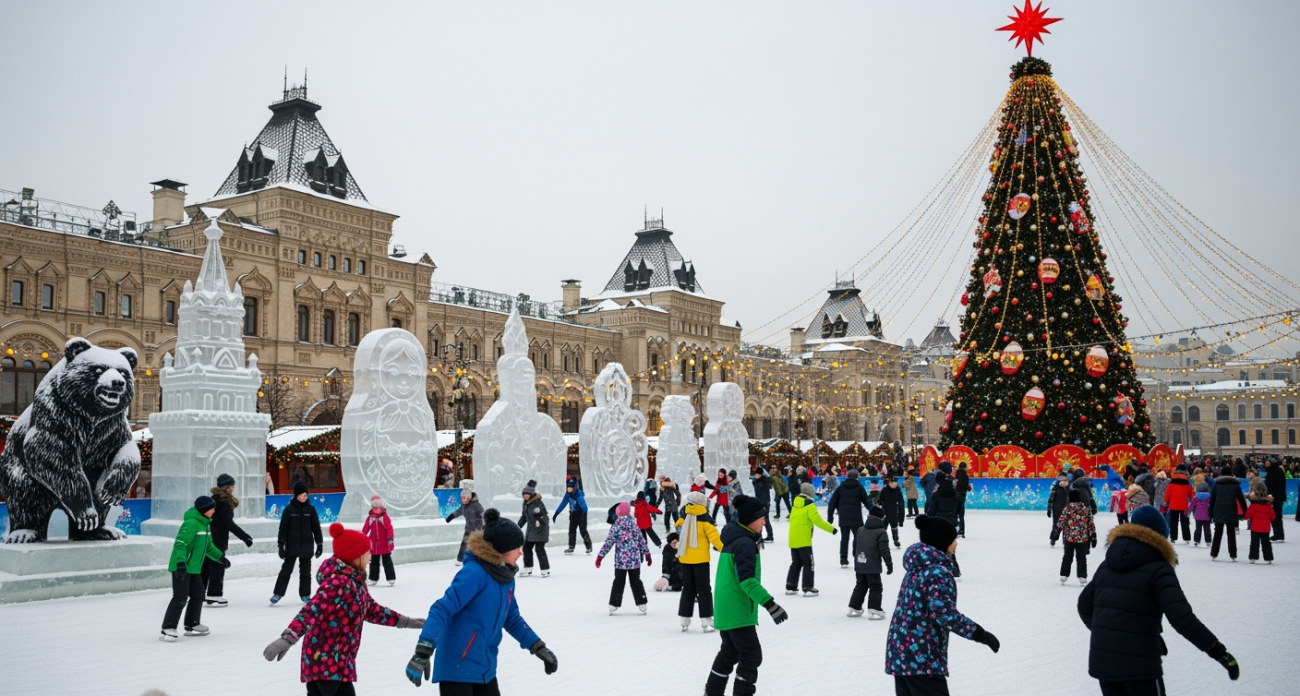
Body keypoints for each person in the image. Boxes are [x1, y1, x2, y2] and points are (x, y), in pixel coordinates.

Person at [1078, 505, 1240, 694]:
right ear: (1160, 536)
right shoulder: (1159, 569)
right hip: (1140, 666)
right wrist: (1218, 651)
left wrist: (1112, 635)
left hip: (1104, 662)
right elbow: (1182, 618)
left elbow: (1084, 606)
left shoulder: (1107, 565)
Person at [403, 508, 559, 691]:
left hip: (484, 667)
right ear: (502, 550)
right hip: (457, 668)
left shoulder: (505, 578)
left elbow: (512, 618)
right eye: (516, 548)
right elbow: (441, 609)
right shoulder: (475, 574)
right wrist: (423, 650)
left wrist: (537, 646)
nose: (520, 553)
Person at [262, 522, 425, 696]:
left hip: (338, 661)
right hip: (324, 661)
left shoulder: (355, 582)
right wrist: (288, 639)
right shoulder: (339, 582)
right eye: (367, 552)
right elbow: (311, 611)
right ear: (356, 556)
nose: (370, 556)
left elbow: (371, 610)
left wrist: (406, 621)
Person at [885, 515, 999, 695]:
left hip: (901, 654)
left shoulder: (916, 567)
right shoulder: (937, 572)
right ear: (942, 542)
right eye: (953, 540)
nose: (956, 544)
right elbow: (944, 614)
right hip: (922, 658)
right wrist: (979, 633)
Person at [704, 494, 787, 696]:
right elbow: (747, 581)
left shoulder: (735, 539)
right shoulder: (744, 544)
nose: (765, 520)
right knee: (751, 655)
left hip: (727, 607)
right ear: (751, 519)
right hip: (737, 610)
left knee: (729, 653)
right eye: (762, 517)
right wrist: (770, 604)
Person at [160, 496, 228, 641]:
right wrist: (180, 563)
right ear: (205, 510)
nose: (214, 511)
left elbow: (208, 547)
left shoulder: (204, 524)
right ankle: (168, 628)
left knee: (198, 595)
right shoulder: (191, 524)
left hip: (194, 568)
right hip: (182, 567)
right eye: (212, 508)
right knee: (180, 598)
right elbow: (180, 544)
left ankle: (192, 624)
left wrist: (221, 558)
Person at [676, 491, 725, 632]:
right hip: (700, 561)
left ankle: (684, 619)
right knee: (703, 589)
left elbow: (677, 527)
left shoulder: (684, 517)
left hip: (684, 559)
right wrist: (726, 550)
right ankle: (706, 620)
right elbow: (716, 539)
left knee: (688, 588)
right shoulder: (705, 521)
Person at [204, 473, 253, 608]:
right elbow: (228, 524)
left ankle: (200, 593)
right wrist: (244, 537)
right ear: (227, 487)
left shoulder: (212, 500)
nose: (232, 488)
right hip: (218, 538)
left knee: (206, 566)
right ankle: (214, 595)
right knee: (217, 567)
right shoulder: (223, 502)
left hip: (207, 537)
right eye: (231, 486)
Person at [596, 501, 653, 614]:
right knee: (636, 581)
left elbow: (609, 542)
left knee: (618, 582)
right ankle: (642, 603)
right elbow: (641, 540)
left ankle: (614, 604)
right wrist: (647, 553)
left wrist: (600, 556)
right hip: (634, 561)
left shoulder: (616, 526)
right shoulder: (634, 525)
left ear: (618, 513)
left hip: (621, 562)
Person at [273, 482, 323, 604]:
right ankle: (278, 593)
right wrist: (281, 546)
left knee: (306, 572)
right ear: (296, 495)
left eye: (305, 495)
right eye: (301, 495)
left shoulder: (310, 510)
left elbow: (316, 527)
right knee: (286, 570)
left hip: (307, 545)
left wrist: (319, 544)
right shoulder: (289, 510)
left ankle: (305, 594)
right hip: (292, 545)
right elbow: (283, 528)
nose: (303, 498)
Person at [786, 482, 836, 596]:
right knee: (808, 563)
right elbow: (818, 521)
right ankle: (807, 587)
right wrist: (831, 529)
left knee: (796, 562)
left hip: (793, 538)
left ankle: (791, 586)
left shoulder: (795, 503)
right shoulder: (809, 504)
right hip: (804, 540)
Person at [849, 507, 893, 619]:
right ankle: (874, 608)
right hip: (872, 565)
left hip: (860, 563)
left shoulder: (860, 530)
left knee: (861, 585)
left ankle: (854, 607)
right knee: (876, 586)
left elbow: (855, 548)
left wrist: (857, 559)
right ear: (881, 518)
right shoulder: (881, 532)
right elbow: (885, 550)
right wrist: (889, 564)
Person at [827, 468, 873, 568]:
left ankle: (843, 558)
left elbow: (832, 502)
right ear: (857, 477)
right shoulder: (859, 487)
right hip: (856, 517)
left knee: (844, 539)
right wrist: (874, 512)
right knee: (858, 537)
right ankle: (856, 554)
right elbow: (866, 501)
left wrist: (830, 517)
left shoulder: (840, 488)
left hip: (844, 517)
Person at [924, 472, 962, 578]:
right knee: (949, 546)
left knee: (938, 547)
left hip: (939, 524)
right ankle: (954, 568)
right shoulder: (956, 495)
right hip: (952, 524)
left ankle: (940, 568)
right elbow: (960, 511)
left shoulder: (936, 494)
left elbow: (931, 511)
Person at [1056, 490, 1097, 585]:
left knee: (1067, 556)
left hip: (1069, 537)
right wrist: (1093, 534)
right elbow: (1090, 522)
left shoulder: (1068, 508)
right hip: (1082, 537)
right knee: (1081, 557)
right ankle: (1082, 576)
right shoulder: (1085, 508)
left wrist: (1057, 531)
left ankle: (1064, 575)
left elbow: (1062, 520)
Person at [1208, 468, 1246, 561]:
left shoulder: (1217, 485)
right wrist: (1245, 512)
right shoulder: (1235, 485)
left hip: (1219, 510)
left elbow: (1212, 500)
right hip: (1231, 510)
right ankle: (1233, 554)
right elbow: (1241, 499)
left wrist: (1210, 514)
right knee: (1231, 533)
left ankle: (1214, 553)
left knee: (1218, 532)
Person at [517, 480, 550, 577]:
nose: (525, 496)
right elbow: (524, 516)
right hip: (531, 531)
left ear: (531, 495)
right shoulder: (526, 503)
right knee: (526, 548)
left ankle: (545, 569)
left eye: (527, 495)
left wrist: (540, 521)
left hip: (541, 530)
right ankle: (528, 567)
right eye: (524, 494)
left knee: (539, 549)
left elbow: (545, 517)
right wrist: (518, 526)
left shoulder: (538, 503)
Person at [445, 483, 484, 565]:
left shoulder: (476, 505)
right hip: (469, 529)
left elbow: (483, 514)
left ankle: (481, 560)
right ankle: (460, 559)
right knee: (464, 544)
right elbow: (457, 512)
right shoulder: (464, 506)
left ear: (469, 498)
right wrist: (450, 517)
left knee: (479, 545)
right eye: (462, 498)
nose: (464, 500)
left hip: (478, 530)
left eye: (466, 498)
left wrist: (486, 524)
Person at [552, 476, 592, 554]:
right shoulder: (568, 495)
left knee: (583, 531)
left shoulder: (579, 495)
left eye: (571, 489)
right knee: (571, 531)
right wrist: (556, 513)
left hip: (581, 514)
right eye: (568, 489)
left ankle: (589, 546)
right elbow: (563, 504)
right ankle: (571, 547)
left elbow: (585, 507)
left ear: (575, 488)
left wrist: (583, 516)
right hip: (573, 514)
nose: (569, 491)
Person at [362, 494, 396, 586]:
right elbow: (365, 529)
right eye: (374, 506)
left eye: (378, 506)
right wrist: (362, 538)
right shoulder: (370, 518)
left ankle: (391, 578)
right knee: (373, 562)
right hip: (373, 545)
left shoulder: (384, 517)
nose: (376, 508)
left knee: (387, 562)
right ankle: (373, 578)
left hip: (384, 543)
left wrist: (390, 540)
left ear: (381, 506)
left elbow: (389, 529)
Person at [1243, 484, 1276, 564]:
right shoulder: (1269, 506)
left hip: (1255, 527)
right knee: (1266, 542)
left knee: (1254, 542)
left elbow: (1247, 516)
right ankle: (1269, 558)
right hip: (1265, 528)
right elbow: (1273, 517)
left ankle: (1253, 557)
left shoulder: (1253, 505)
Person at [1165, 469, 1194, 543]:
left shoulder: (1171, 485)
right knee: (1185, 522)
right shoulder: (1187, 485)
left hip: (1173, 505)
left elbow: (1167, 495)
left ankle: (1173, 537)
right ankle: (1187, 538)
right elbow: (1192, 495)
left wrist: (1166, 502)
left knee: (1173, 522)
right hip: (1184, 506)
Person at [879, 476, 906, 548]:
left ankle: (896, 540)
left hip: (894, 513)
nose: (894, 484)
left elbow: (901, 505)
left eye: (895, 483)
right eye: (892, 483)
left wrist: (901, 520)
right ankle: (881, 541)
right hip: (885, 513)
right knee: (882, 529)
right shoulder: (884, 490)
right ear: (889, 483)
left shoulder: (898, 491)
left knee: (894, 527)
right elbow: (880, 501)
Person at [1264, 459, 1287, 542]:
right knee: (1274, 516)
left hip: (1276, 497)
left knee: (1276, 515)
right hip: (1275, 497)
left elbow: (1276, 485)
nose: (1266, 464)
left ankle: (1279, 535)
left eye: (1267, 463)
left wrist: (1271, 495)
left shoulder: (1276, 472)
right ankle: (1277, 534)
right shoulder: (1273, 471)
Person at [749, 467, 774, 542]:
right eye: (755, 474)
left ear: (760, 474)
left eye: (757, 474)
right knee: (760, 519)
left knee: (764, 519)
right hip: (759, 503)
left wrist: (763, 505)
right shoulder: (757, 481)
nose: (756, 475)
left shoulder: (764, 482)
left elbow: (764, 494)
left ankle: (769, 536)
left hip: (764, 503)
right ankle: (760, 536)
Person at [1048, 474, 1071, 546]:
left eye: (1065, 481)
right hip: (1057, 510)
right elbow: (1051, 500)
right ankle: (1053, 538)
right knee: (1057, 525)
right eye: (1062, 481)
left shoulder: (1070, 490)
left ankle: (1066, 540)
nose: (1064, 483)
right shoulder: (1055, 489)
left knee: (1067, 525)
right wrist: (1049, 509)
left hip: (1067, 510)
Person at [1189, 483, 1212, 547]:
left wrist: (1187, 511)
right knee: (1207, 529)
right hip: (1207, 516)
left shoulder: (1196, 496)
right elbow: (1213, 505)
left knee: (1198, 529)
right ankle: (1208, 541)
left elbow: (1192, 505)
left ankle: (1197, 540)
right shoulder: (1209, 496)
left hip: (1198, 515)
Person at [954, 462, 971, 538]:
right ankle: (961, 530)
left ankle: (955, 528)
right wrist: (969, 488)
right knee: (961, 514)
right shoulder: (965, 475)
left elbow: (956, 484)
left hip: (956, 494)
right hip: (962, 494)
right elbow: (966, 486)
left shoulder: (957, 474)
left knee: (955, 512)